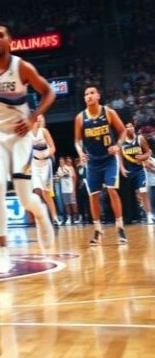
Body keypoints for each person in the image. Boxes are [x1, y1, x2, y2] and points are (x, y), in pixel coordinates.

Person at [0, 24, 55, 273]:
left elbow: (49, 92)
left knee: (24, 197)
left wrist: (33, 118)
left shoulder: (21, 67)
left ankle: (40, 214)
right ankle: (2, 253)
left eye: (0, 35)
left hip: (20, 138)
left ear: (9, 41)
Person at [74, 85, 128, 245]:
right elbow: (77, 141)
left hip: (109, 159)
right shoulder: (80, 117)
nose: (88, 96)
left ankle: (120, 226)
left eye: (92, 93)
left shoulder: (109, 112)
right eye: (86, 94)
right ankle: (98, 230)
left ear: (98, 96)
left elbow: (123, 131)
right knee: (94, 195)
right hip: (92, 162)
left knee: (112, 190)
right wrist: (80, 152)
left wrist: (118, 145)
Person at [119, 122, 153, 224]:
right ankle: (134, 216)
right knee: (132, 195)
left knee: (143, 191)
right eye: (127, 127)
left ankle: (149, 215)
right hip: (128, 171)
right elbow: (119, 157)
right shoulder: (122, 142)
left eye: (131, 126)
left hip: (139, 170)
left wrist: (143, 157)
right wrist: (121, 168)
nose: (130, 128)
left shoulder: (140, 138)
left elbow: (149, 152)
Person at [29, 115, 59, 226]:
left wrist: (45, 154)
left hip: (46, 163)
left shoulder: (44, 131)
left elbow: (53, 148)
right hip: (34, 164)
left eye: (40, 118)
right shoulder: (27, 134)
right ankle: (42, 218)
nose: (38, 120)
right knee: (37, 192)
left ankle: (54, 218)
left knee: (47, 193)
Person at [55, 157, 75, 225]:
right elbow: (58, 176)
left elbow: (69, 175)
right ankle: (69, 218)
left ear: (64, 161)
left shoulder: (67, 167)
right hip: (64, 189)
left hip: (70, 188)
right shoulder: (59, 168)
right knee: (66, 204)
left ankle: (74, 217)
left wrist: (61, 175)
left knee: (72, 203)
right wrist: (58, 176)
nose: (61, 162)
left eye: (62, 161)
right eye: (60, 161)